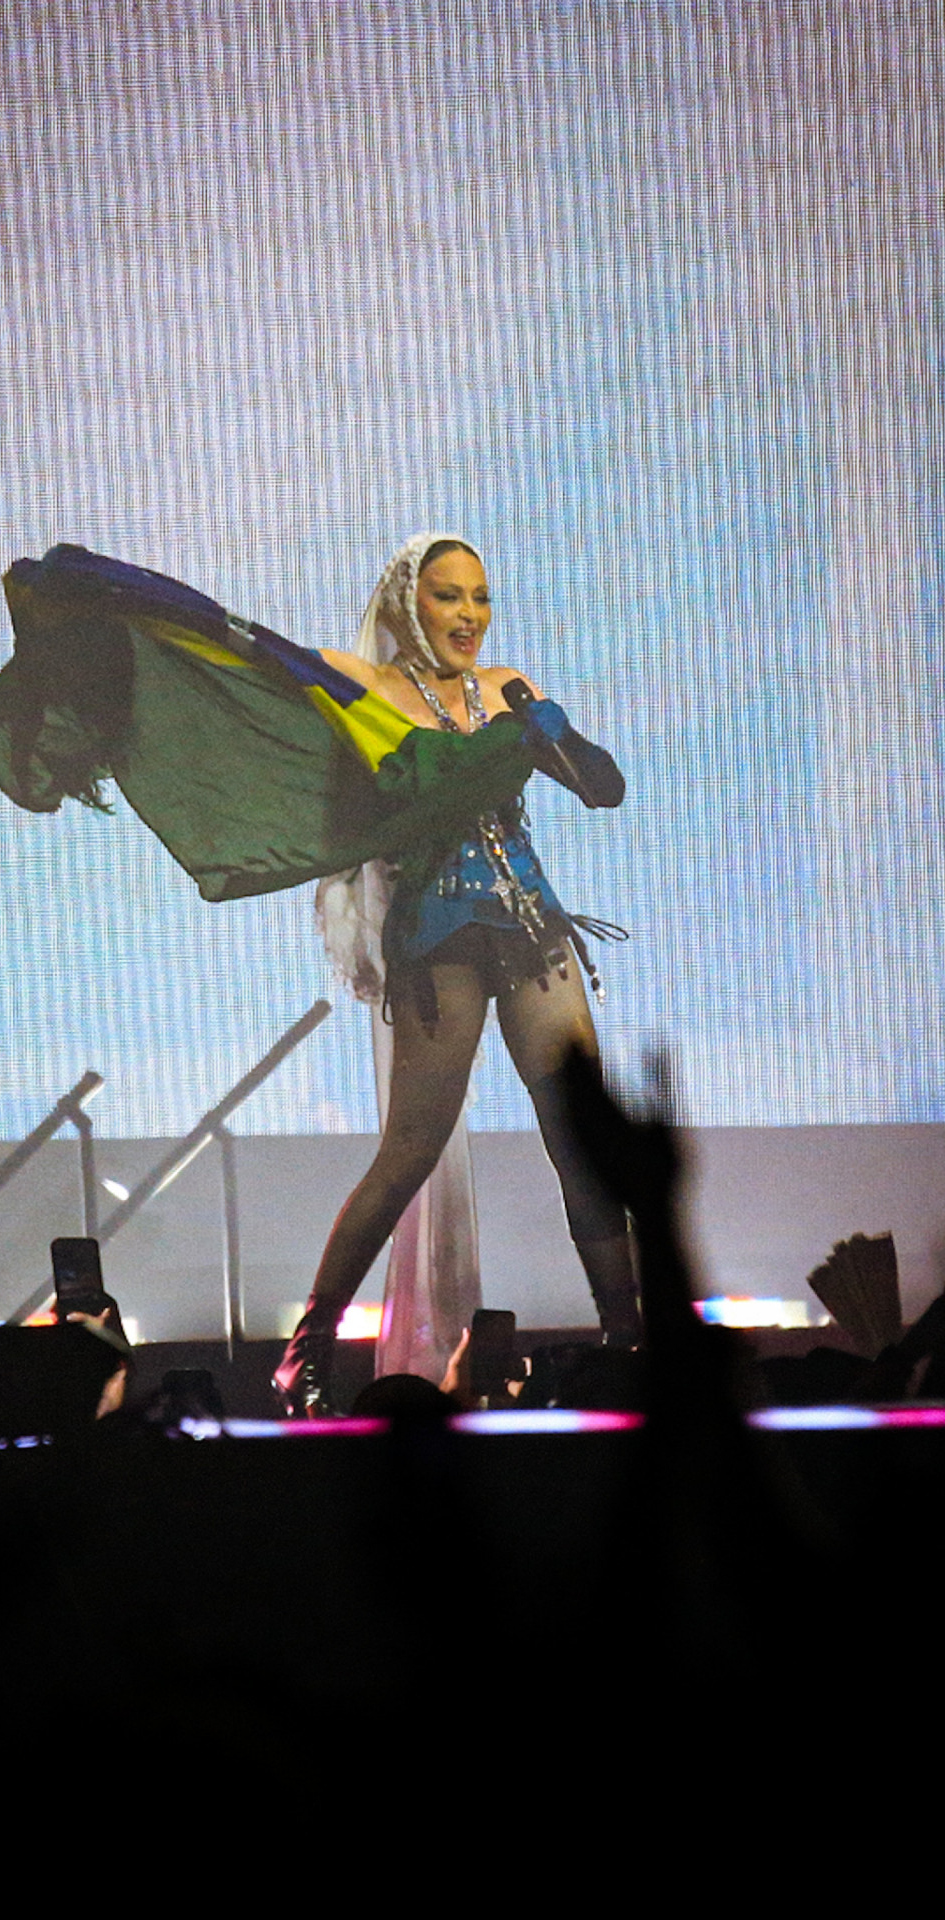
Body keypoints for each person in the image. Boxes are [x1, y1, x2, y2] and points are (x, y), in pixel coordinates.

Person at [273, 533, 637, 1417]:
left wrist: (554, 731)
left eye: (480, 596)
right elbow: (273, 665)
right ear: (410, 604)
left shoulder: (509, 687)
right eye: (448, 596)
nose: (469, 615)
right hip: (441, 939)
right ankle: (306, 1350)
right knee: (411, 1150)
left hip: (530, 927)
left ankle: (629, 1341)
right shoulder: (369, 687)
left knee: (581, 1138)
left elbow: (605, 790)